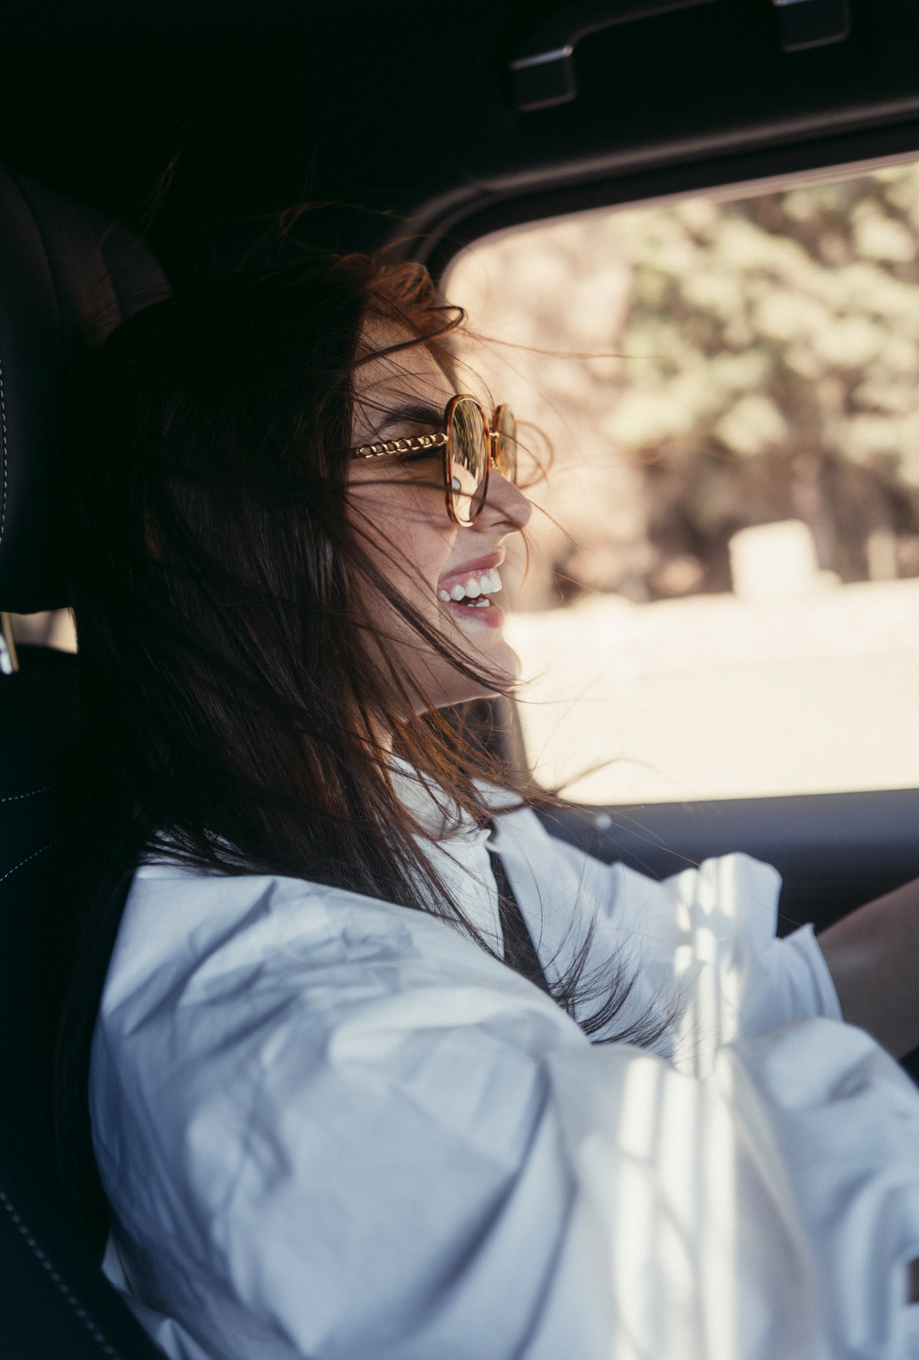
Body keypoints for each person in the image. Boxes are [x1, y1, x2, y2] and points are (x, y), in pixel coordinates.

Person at [62, 250, 919, 1360]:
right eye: (427, 450)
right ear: (196, 520)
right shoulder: (308, 1048)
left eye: (484, 443)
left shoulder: (412, 813)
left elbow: (715, 1002)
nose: (508, 503)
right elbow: (802, 1290)